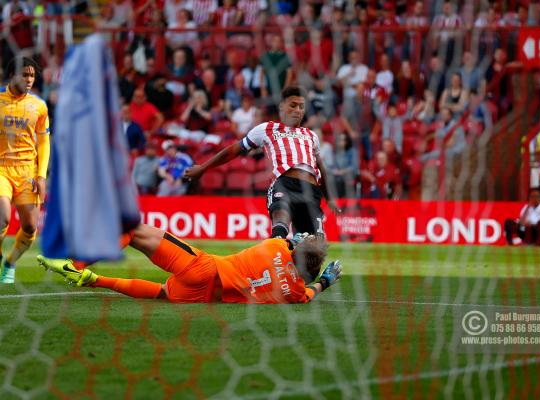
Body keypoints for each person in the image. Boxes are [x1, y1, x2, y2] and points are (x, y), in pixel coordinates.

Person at [38, 224, 342, 304]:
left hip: (205, 267)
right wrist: (325, 280)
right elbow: (311, 293)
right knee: (161, 293)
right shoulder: (296, 292)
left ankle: (73, 264)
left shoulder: (276, 246)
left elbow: (283, 242)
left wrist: (295, 240)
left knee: (132, 231)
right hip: (206, 296)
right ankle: (95, 280)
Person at [184, 86, 340, 239]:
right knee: (280, 228)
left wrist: (330, 198)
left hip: (311, 191)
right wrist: (203, 168)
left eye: (301, 106)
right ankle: (280, 250)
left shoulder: (311, 135)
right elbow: (233, 150)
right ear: (282, 106)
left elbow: (321, 168)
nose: (298, 110)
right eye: (293, 105)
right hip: (285, 184)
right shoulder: (267, 129)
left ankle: (295, 247)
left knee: (314, 249)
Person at [0, 57, 50, 283]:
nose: (29, 79)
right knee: (2, 218)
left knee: (30, 227)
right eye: (25, 74)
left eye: (32, 75)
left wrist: (41, 175)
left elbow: (43, 143)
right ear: (12, 75)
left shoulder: (39, 106)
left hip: (27, 172)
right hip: (1, 169)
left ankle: (9, 263)